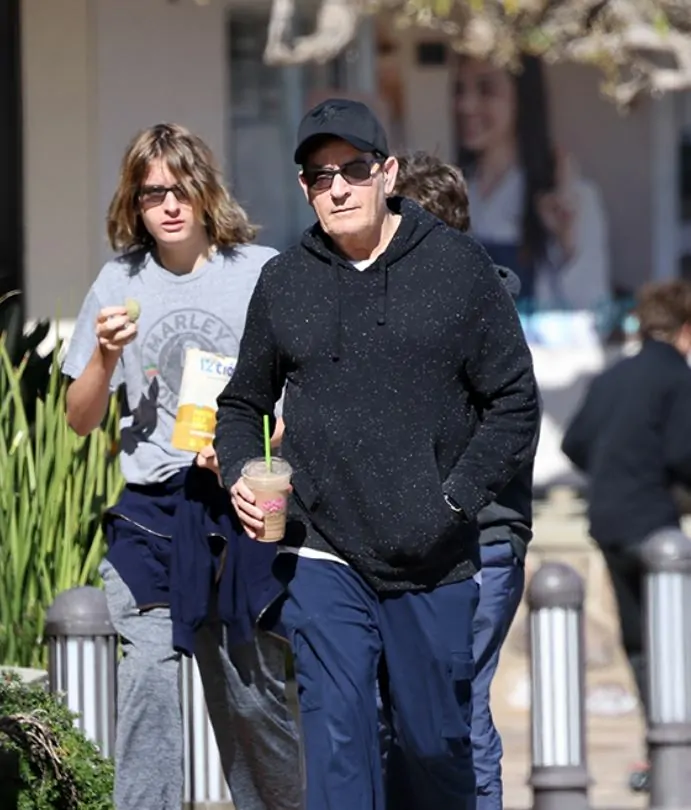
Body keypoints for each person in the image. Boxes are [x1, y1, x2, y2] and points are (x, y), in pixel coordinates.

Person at [214, 98, 540, 810]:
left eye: (353, 170)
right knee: (339, 734)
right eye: (318, 175)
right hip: (320, 543)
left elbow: (514, 405)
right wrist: (242, 471)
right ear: (303, 187)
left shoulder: (458, 270)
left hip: (432, 551)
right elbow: (241, 403)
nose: (336, 187)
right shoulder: (286, 281)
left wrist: (452, 498)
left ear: (386, 173)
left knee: (432, 746)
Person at [61, 123, 301, 810]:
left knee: (249, 696)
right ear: (133, 205)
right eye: (149, 194)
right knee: (149, 688)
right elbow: (79, 419)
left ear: (204, 191)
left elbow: (299, 395)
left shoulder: (259, 271)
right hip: (152, 515)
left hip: (239, 503)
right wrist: (106, 357)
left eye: (178, 189)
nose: (166, 206)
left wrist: (257, 439)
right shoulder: (118, 281)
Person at [393, 151, 534, 810]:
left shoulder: (480, 310)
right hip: (441, 546)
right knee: (431, 714)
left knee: (458, 713)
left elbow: (505, 429)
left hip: (477, 545)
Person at [562, 279, 691, 788]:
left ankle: (658, 747)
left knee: (641, 644)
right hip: (655, 528)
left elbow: (574, 442)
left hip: (609, 524)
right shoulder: (676, 376)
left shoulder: (613, 377)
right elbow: (683, 453)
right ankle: (676, 748)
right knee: (676, 640)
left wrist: (618, 466)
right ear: (686, 329)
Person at [454, 54, 610, 315]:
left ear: (523, 98)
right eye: (460, 90)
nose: (466, 105)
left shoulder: (570, 197)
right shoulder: (454, 192)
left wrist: (567, 243)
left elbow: (594, 310)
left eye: (486, 89)